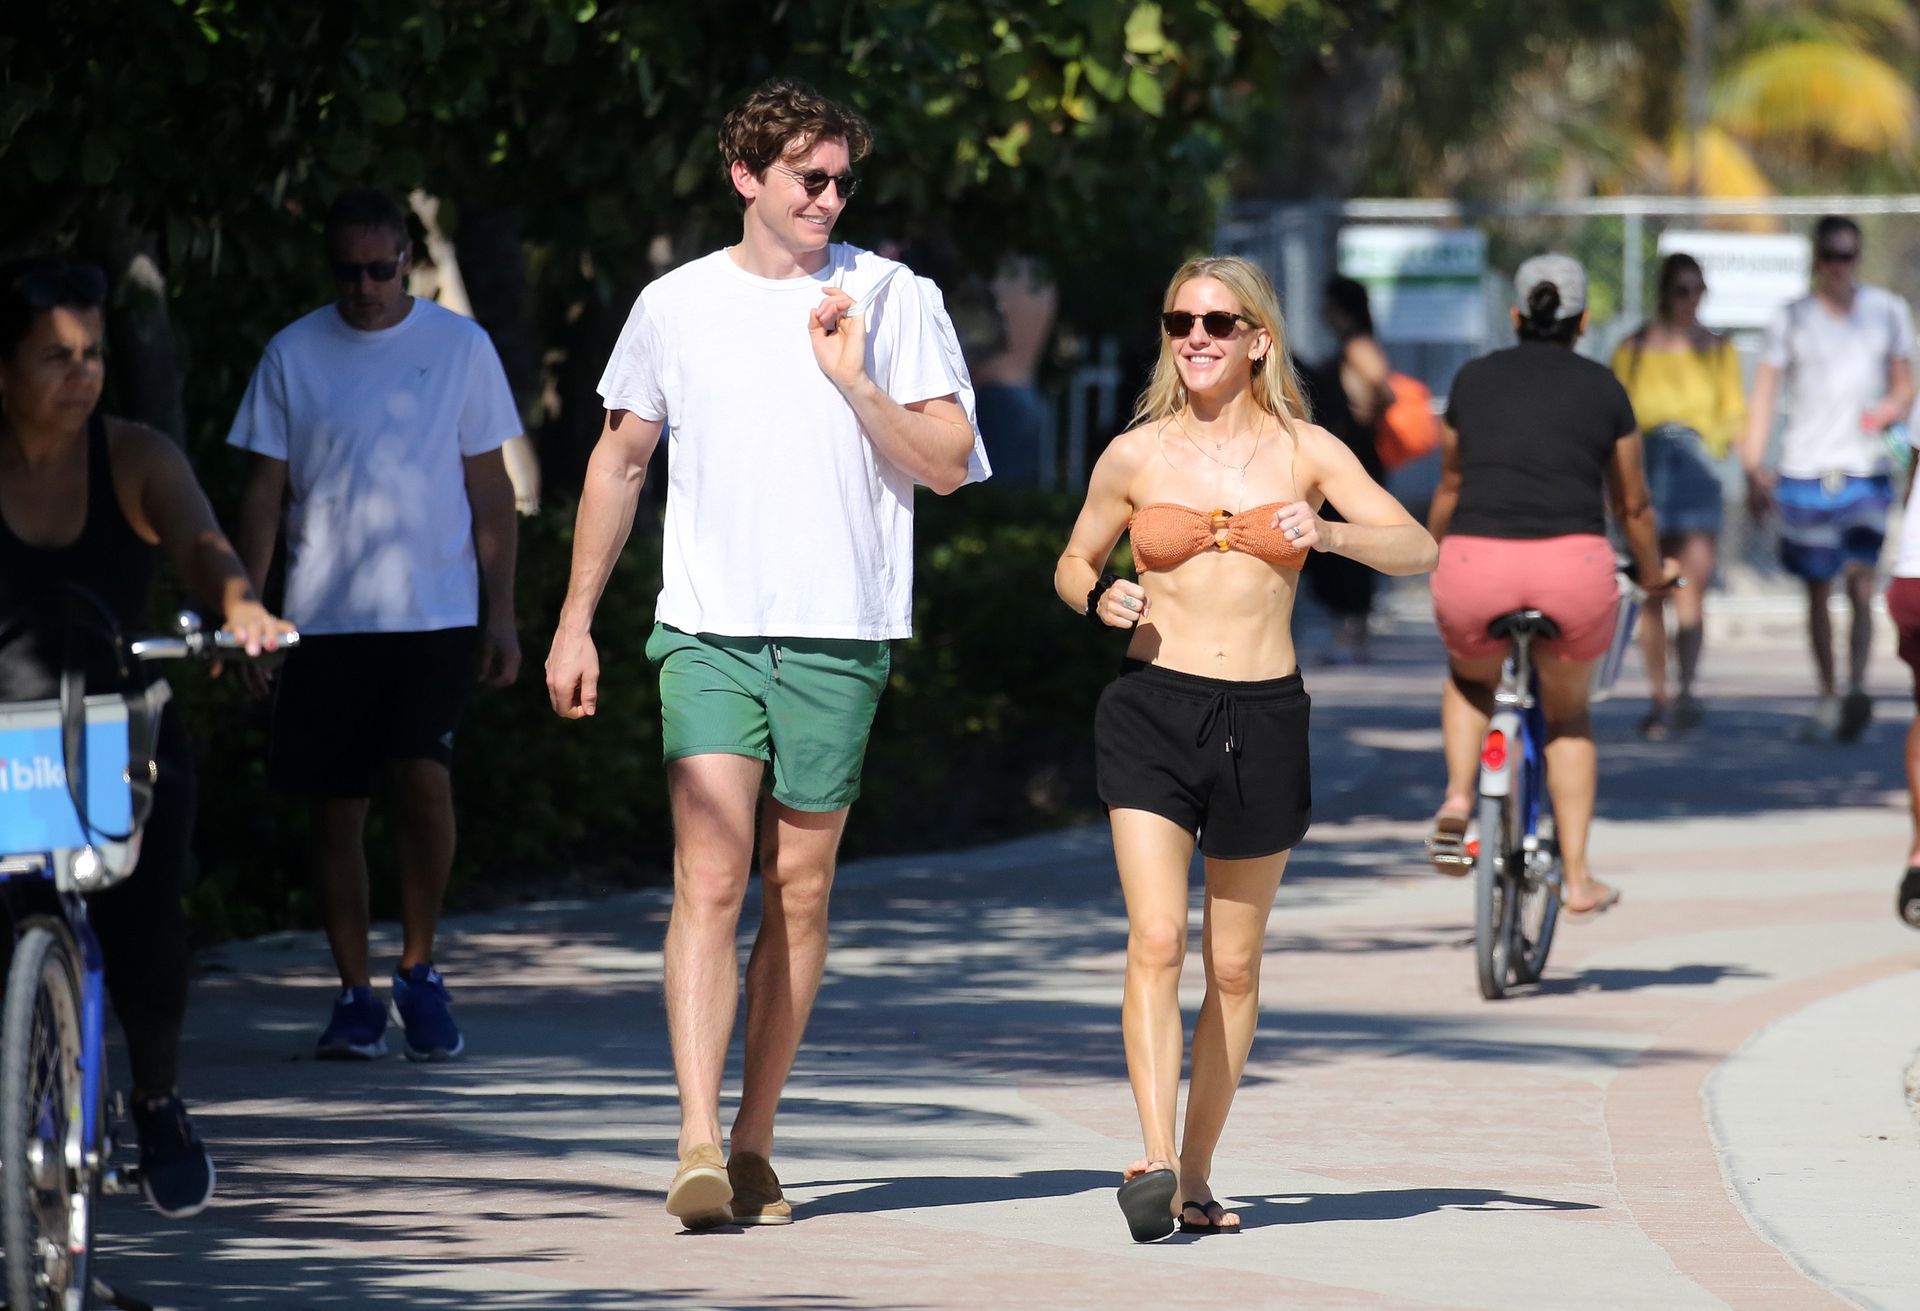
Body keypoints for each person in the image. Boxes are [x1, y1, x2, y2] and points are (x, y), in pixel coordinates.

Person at [543, 77, 986, 1231]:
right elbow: (619, 463)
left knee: (799, 889)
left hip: (842, 633)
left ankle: (753, 1142)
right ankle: (695, 1140)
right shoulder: (675, 304)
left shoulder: (893, 297)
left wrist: (856, 383)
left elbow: (948, 462)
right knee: (710, 873)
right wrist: (575, 621)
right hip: (709, 631)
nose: (829, 199)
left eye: (841, 180)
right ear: (746, 175)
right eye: (807, 177)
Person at [1053, 255, 1434, 1240]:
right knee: (1155, 939)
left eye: (1218, 323)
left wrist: (1330, 535)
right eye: (1180, 321)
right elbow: (1073, 559)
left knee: (1232, 966)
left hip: (1262, 717)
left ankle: (1197, 1174)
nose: (1196, 338)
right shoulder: (1135, 455)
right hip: (1151, 705)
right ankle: (1153, 1158)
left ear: (1258, 338)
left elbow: (1417, 546)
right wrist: (1099, 595)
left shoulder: (1308, 450)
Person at [0, 256, 292, 1216]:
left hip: (112, 735)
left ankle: (158, 1101)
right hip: (5, 736)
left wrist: (241, 608)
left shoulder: (134, 456)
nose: (81, 374)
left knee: (148, 924)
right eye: (56, 357)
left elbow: (205, 547)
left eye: (92, 355)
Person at [230, 189, 523, 1063]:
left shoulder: (460, 348)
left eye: (377, 269)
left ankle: (419, 969)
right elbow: (262, 494)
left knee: (424, 782)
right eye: (345, 271)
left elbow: (491, 488)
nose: (362, 287)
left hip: (435, 612)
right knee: (336, 808)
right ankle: (355, 992)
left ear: (407, 262)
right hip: (323, 618)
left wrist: (503, 613)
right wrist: (247, 608)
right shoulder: (292, 353)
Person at [1426, 253, 1675, 915]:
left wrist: (1432, 556)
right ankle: (1579, 877)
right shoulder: (1605, 389)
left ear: (1515, 315)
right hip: (1572, 573)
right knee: (1567, 713)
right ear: (1582, 321)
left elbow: (1450, 485)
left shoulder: (1472, 379)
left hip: (1476, 565)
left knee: (1471, 680)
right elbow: (1632, 507)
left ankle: (1458, 797)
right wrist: (1653, 574)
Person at [1741, 216, 1916, 743]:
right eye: (1832, 255)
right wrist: (1753, 466)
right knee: (1817, 588)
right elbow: (1764, 396)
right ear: (1817, 259)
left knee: (1861, 583)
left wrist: (1890, 409)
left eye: (1850, 255)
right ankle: (1828, 693)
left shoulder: (1887, 310)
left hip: (1866, 468)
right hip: (1805, 470)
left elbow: (1904, 385)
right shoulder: (1790, 318)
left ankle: (1857, 687)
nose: (1842, 266)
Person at [1610, 253, 1746, 739]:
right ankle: (1659, 697)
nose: (1690, 301)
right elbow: (1614, 416)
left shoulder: (1718, 349)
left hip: (1696, 468)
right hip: (1645, 467)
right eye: (1681, 290)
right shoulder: (1633, 348)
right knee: (1650, 588)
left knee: (1690, 586)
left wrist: (1727, 456)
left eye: (1698, 290)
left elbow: (1733, 413)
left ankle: (1686, 689)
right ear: (1664, 293)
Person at [1301, 275, 1394, 663]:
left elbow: (1382, 387)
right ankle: (1349, 633)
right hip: (1353, 455)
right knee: (1340, 548)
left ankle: (1352, 636)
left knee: (1350, 546)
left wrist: (1363, 410)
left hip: (1357, 458)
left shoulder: (1357, 345)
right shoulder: (1351, 344)